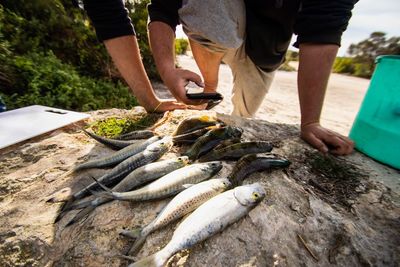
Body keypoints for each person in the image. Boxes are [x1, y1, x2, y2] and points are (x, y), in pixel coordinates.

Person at [83, 0, 355, 156]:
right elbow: (163, 8)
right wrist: (166, 72)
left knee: (243, 117)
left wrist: (311, 121)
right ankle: (208, 87)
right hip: (222, 24)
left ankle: (234, 118)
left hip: (266, 51)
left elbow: (324, 23)